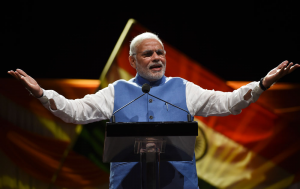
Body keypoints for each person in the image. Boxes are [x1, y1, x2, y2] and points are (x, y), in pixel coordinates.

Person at [8, 32, 299, 189]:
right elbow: (74, 112)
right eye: (148, 53)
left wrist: (262, 84)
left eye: (160, 52)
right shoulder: (117, 91)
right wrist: (41, 93)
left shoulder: (184, 88)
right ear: (133, 61)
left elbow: (229, 103)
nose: (157, 58)